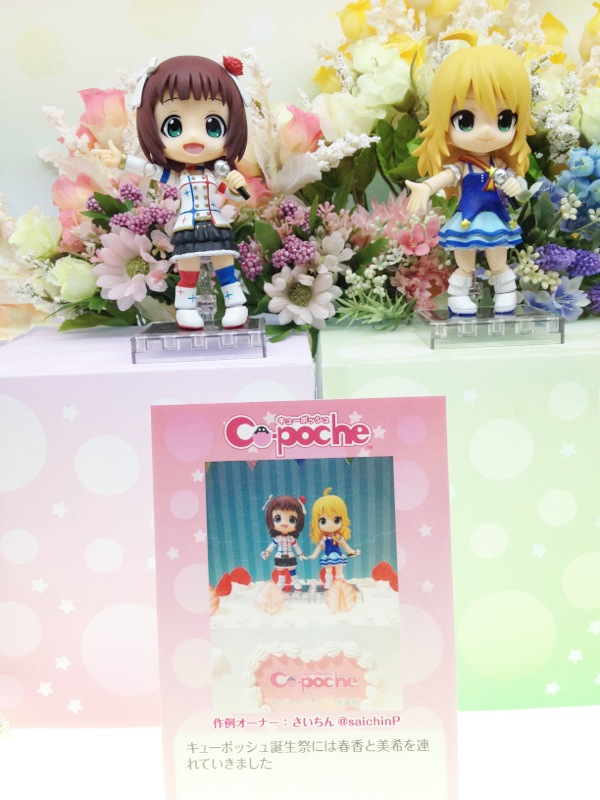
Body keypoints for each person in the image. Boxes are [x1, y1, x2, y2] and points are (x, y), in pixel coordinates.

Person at [93, 55, 250, 329]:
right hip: (188, 226)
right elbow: (150, 170)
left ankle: (236, 305)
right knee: (188, 268)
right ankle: (186, 308)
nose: (193, 137)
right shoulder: (179, 177)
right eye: (174, 126)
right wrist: (122, 160)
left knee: (225, 264)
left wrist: (238, 185)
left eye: (212, 126)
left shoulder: (217, 174)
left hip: (216, 223)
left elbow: (235, 195)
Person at [406, 44, 535, 315]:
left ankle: (506, 294)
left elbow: (517, 185)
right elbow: (445, 177)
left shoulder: (499, 164)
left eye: (503, 119)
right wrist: (425, 187)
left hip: (495, 216)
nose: (486, 132)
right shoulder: (462, 166)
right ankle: (458, 297)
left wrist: (515, 184)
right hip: (466, 218)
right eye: (465, 120)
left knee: (499, 260)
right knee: (464, 262)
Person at [307, 487, 358, 589]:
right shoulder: (324, 538)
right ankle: (329, 583)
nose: (330, 524)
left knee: (339, 571)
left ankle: (339, 583)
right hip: (328, 556)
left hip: (338, 555)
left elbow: (344, 545)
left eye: (336, 519)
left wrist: (351, 551)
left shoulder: (338, 536)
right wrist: (314, 555)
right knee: (328, 570)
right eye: (323, 521)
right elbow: (319, 547)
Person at [261, 495, 306, 592]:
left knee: (292, 570)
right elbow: (272, 546)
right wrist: (267, 553)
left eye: (292, 520)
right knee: (280, 571)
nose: (284, 523)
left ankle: (296, 582)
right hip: (279, 557)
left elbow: (296, 546)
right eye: (278, 518)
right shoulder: (277, 538)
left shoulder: (291, 538)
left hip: (290, 556)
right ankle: (281, 583)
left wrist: (300, 554)